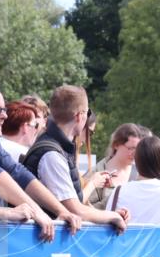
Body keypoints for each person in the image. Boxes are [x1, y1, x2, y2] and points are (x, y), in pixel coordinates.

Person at [0, 81, 80, 242]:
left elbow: (19, 173)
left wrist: (61, 211)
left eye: (3, 109)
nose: (4, 115)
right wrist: (37, 211)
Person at [18, 85, 127, 233]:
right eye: (87, 113)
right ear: (79, 116)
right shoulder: (52, 154)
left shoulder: (58, 148)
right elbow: (75, 210)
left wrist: (109, 215)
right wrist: (112, 216)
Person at [86, 123, 144, 210]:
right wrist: (113, 199)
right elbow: (83, 208)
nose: (134, 153)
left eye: (137, 149)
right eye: (131, 148)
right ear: (116, 145)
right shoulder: (96, 173)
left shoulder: (142, 171)